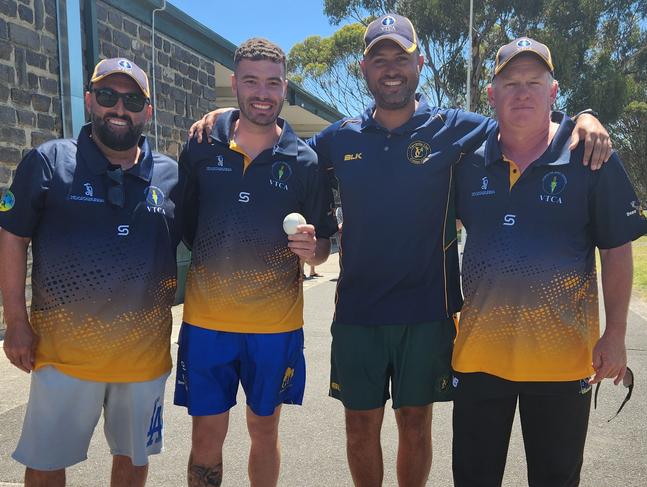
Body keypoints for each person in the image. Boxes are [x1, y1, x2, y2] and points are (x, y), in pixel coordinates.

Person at [189, 15, 612, 487]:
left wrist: (585, 116)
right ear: (364, 68)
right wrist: (228, 118)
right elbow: (278, 143)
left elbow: (526, 117)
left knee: (415, 425)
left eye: (401, 58)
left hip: (427, 312)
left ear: (420, 63)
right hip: (358, 312)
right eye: (380, 59)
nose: (391, 68)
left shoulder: (455, 128)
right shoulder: (338, 137)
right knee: (359, 428)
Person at [451, 37, 647, 487]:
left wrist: (615, 335)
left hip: (562, 362)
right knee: (473, 479)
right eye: (511, 83)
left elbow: (616, 250)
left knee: (556, 480)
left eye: (534, 83)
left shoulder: (591, 156)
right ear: (492, 94)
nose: (522, 93)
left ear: (553, 91)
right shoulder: (466, 161)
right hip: (479, 357)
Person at [0, 58, 179, 487]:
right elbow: (11, 237)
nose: (120, 107)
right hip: (63, 353)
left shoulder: (173, 175)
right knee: (45, 463)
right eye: (107, 96)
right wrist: (15, 322)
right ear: (89, 101)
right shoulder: (48, 161)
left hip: (143, 357)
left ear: (147, 111)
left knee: (133, 462)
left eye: (132, 99)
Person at [174, 38, 336, 487]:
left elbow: (322, 245)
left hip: (275, 328)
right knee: (207, 433)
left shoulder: (305, 161)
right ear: (235, 84)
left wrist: (312, 251)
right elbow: (190, 227)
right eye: (251, 81)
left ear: (285, 87)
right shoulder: (202, 145)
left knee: (264, 430)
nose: (262, 93)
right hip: (208, 324)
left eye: (272, 82)